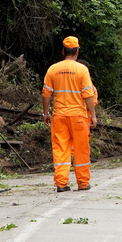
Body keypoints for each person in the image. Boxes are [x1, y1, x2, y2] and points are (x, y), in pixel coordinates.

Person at [42, 36, 97, 192]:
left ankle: (61, 183)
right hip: (79, 117)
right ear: (77, 52)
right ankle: (83, 183)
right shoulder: (82, 69)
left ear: (63, 51)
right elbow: (88, 94)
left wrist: (46, 113)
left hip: (59, 116)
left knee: (60, 148)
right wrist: (92, 115)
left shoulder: (53, 69)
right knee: (81, 150)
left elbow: (46, 93)